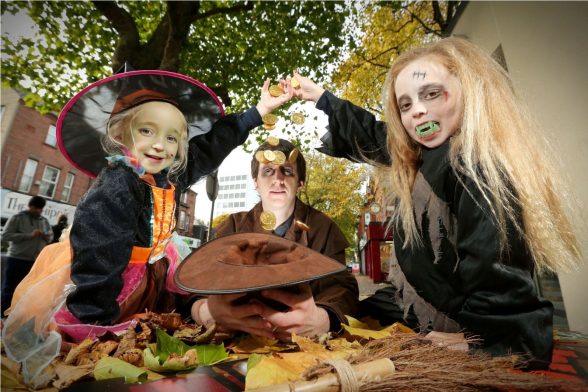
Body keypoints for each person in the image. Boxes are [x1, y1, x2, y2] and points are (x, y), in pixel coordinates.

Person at [287, 37, 581, 369]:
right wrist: (322, 98)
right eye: (406, 105)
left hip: (459, 327)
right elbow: (374, 135)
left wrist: (484, 342)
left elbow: (498, 276)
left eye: (431, 93)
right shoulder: (423, 155)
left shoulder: (475, 167)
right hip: (413, 307)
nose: (419, 111)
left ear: (469, 90)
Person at [2, 70, 293, 384]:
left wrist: (258, 112)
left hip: (148, 276)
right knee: (100, 354)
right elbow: (98, 253)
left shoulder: (168, 175)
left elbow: (209, 148)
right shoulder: (117, 184)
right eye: (147, 131)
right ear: (123, 135)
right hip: (107, 285)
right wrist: (97, 319)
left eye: (171, 138)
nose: (159, 146)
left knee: (149, 338)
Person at [190, 139, 359, 340]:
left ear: (300, 183)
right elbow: (197, 283)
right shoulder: (232, 226)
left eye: (287, 171)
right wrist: (205, 312)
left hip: (304, 348)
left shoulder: (324, 228)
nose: (277, 179)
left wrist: (323, 319)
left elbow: (342, 289)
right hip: (238, 344)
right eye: (268, 171)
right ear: (255, 181)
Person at [1, 195, 52, 316]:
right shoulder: (17, 218)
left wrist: (46, 236)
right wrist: (29, 235)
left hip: (34, 261)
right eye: (36, 208)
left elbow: (50, 237)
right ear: (30, 206)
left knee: (27, 290)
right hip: (16, 259)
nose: (39, 211)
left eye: (41, 209)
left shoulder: (44, 221)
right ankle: (2, 314)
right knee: (10, 289)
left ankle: (18, 316)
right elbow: (5, 236)